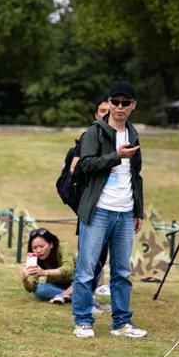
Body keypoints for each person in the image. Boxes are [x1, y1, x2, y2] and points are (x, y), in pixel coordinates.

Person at [70, 81, 146, 339]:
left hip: (125, 211)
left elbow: (137, 175)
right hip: (99, 209)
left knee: (122, 271)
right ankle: (82, 320)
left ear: (134, 105)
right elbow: (86, 165)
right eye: (116, 102)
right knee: (86, 268)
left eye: (126, 103)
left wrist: (138, 210)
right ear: (110, 103)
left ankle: (122, 323)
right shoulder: (95, 132)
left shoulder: (133, 134)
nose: (120, 107)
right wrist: (116, 156)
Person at [69, 95, 112, 314]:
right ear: (96, 114)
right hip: (91, 206)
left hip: (112, 205)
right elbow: (76, 169)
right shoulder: (89, 136)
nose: (106, 114)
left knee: (100, 257)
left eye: (109, 110)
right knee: (88, 258)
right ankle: (82, 304)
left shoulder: (117, 136)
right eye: (102, 110)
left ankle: (90, 299)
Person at [21, 228, 76, 303]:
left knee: (81, 280)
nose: (39, 251)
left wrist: (44, 272)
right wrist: (24, 279)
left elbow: (68, 269)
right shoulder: (34, 257)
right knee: (39, 289)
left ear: (51, 244)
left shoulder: (63, 247)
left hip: (75, 283)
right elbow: (31, 288)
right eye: (35, 248)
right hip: (56, 287)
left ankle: (67, 294)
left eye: (41, 246)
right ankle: (72, 295)